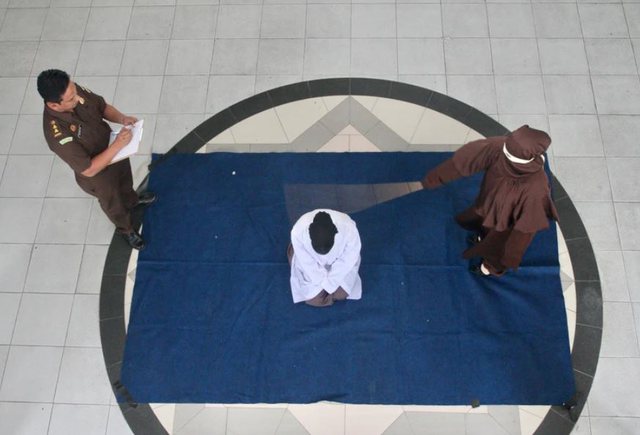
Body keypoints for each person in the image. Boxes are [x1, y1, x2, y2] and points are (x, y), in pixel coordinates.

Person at [37, 69, 155, 250]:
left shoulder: (72, 91)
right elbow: (88, 169)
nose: (77, 98)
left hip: (114, 149)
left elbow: (102, 107)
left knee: (125, 180)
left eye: (75, 91)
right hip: (99, 175)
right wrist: (117, 146)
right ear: (54, 105)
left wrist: (122, 118)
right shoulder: (57, 135)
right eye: (71, 99)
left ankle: (132, 200)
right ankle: (126, 229)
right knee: (113, 202)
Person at [421, 125, 559, 277]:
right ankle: (483, 238)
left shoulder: (536, 186)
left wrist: (512, 253)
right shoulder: (500, 146)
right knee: (482, 222)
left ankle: (489, 269)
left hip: (507, 221)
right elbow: (467, 159)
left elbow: (526, 228)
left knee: (498, 247)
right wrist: (434, 179)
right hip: (487, 203)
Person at [289, 209, 362, 307]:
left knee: (341, 294)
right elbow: (306, 262)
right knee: (314, 299)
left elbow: (348, 259)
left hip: (339, 263)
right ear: (309, 230)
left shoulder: (349, 229)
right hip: (312, 263)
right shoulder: (298, 232)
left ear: (335, 231)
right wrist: (321, 281)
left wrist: (330, 283)